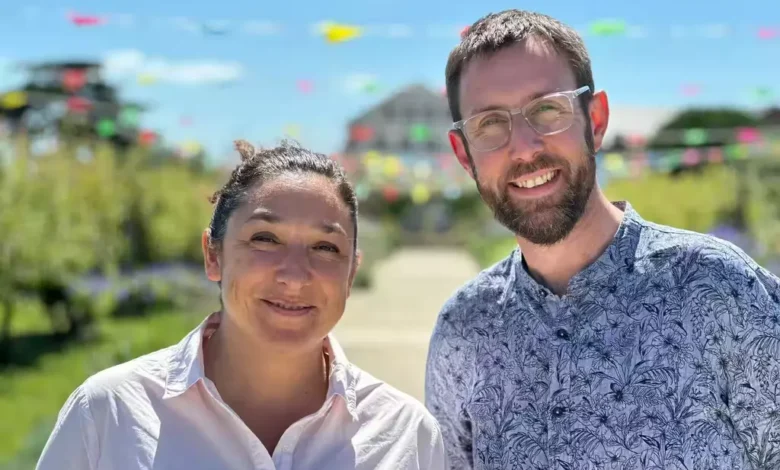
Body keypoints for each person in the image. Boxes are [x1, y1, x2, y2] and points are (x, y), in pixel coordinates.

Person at [425, 9, 780, 470]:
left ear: (595, 120)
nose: (525, 147)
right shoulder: (463, 331)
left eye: (547, 109)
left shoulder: (721, 290)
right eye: (490, 124)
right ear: (464, 154)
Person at [37, 140, 445, 470]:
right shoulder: (110, 414)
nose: (295, 274)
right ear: (213, 255)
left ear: (352, 272)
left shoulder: (406, 435)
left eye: (325, 247)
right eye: (265, 239)